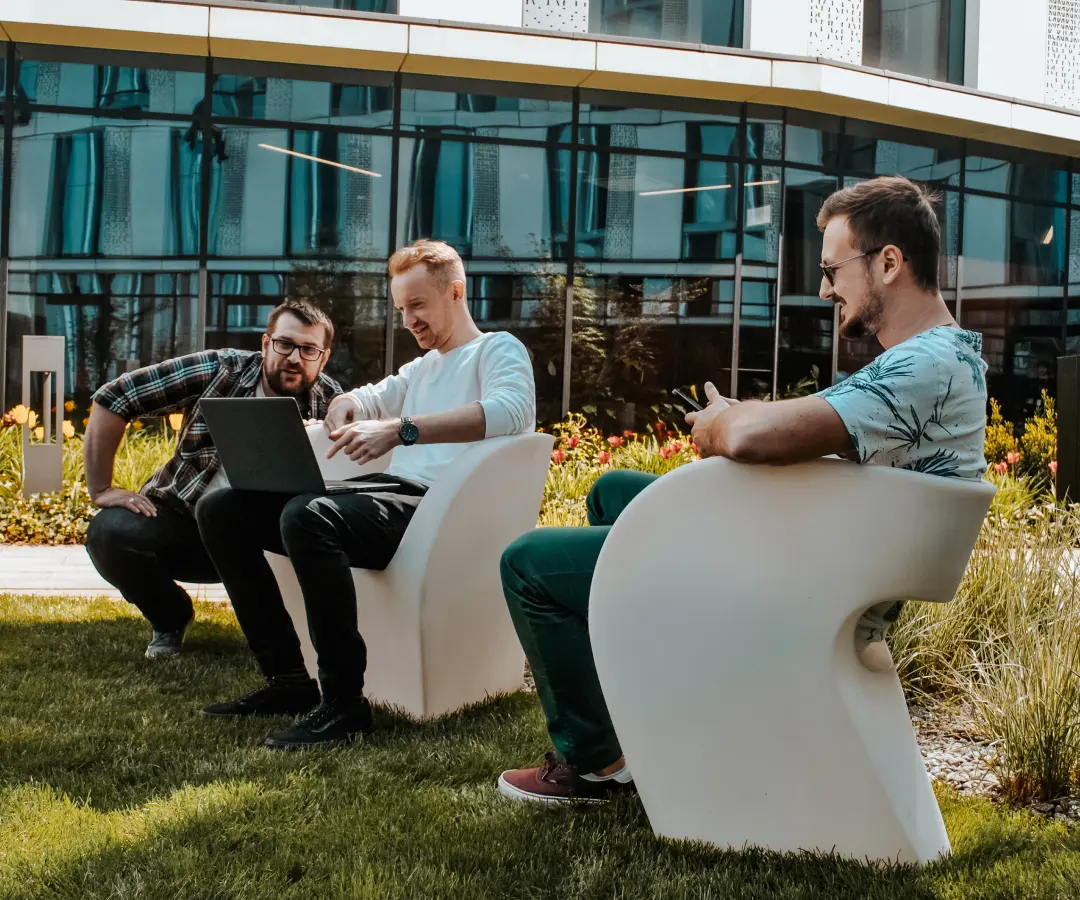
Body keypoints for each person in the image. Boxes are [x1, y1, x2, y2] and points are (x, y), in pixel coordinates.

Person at [496, 175, 988, 804]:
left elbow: (756, 437)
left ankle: (596, 764)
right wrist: (739, 418)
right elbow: (802, 429)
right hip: (819, 561)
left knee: (529, 564)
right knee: (615, 491)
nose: (824, 289)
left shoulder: (925, 364)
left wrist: (725, 423)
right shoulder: (946, 359)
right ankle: (643, 724)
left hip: (797, 589)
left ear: (889, 262)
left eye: (833, 269)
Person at [198, 239, 536, 751]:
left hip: (438, 506)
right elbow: (366, 396)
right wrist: (343, 407)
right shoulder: (421, 368)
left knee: (307, 516)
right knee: (222, 509)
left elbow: (513, 412)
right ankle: (289, 681)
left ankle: (343, 705)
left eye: (417, 306)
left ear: (456, 292)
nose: (409, 321)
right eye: (401, 309)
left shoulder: (497, 349)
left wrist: (401, 430)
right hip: (386, 495)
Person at [84, 299, 343, 659]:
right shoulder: (220, 369)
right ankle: (170, 616)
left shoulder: (334, 403)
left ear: (323, 357)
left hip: (268, 539)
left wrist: (315, 440)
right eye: (285, 344)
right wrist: (100, 489)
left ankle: (288, 635)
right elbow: (116, 396)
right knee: (109, 533)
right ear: (266, 344)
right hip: (187, 525)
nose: (295, 357)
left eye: (308, 349)